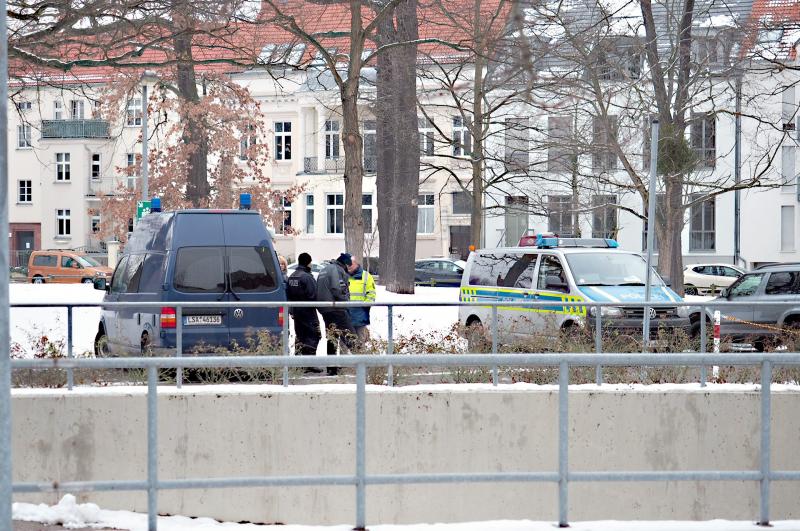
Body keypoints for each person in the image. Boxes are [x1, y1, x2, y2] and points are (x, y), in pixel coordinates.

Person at [316, 252, 358, 375]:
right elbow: (337, 288)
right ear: (345, 264)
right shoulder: (337, 270)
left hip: (325, 309)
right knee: (350, 335)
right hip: (336, 308)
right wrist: (346, 302)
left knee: (332, 337)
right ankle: (364, 363)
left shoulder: (325, 269)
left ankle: (331, 367)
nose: (348, 269)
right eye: (348, 267)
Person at [286, 252, 322, 374]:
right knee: (314, 335)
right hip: (308, 311)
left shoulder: (292, 276)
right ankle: (309, 364)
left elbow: (288, 295)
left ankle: (299, 363)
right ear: (308, 262)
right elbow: (313, 295)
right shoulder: (307, 277)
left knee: (300, 336)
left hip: (296, 312)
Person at [347, 258, 376, 342]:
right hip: (346, 315)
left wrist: (365, 307)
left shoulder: (366, 276)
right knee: (345, 344)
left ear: (356, 264)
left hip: (360, 315)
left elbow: (371, 294)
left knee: (360, 342)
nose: (348, 266)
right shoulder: (343, 275)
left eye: (350, 264)